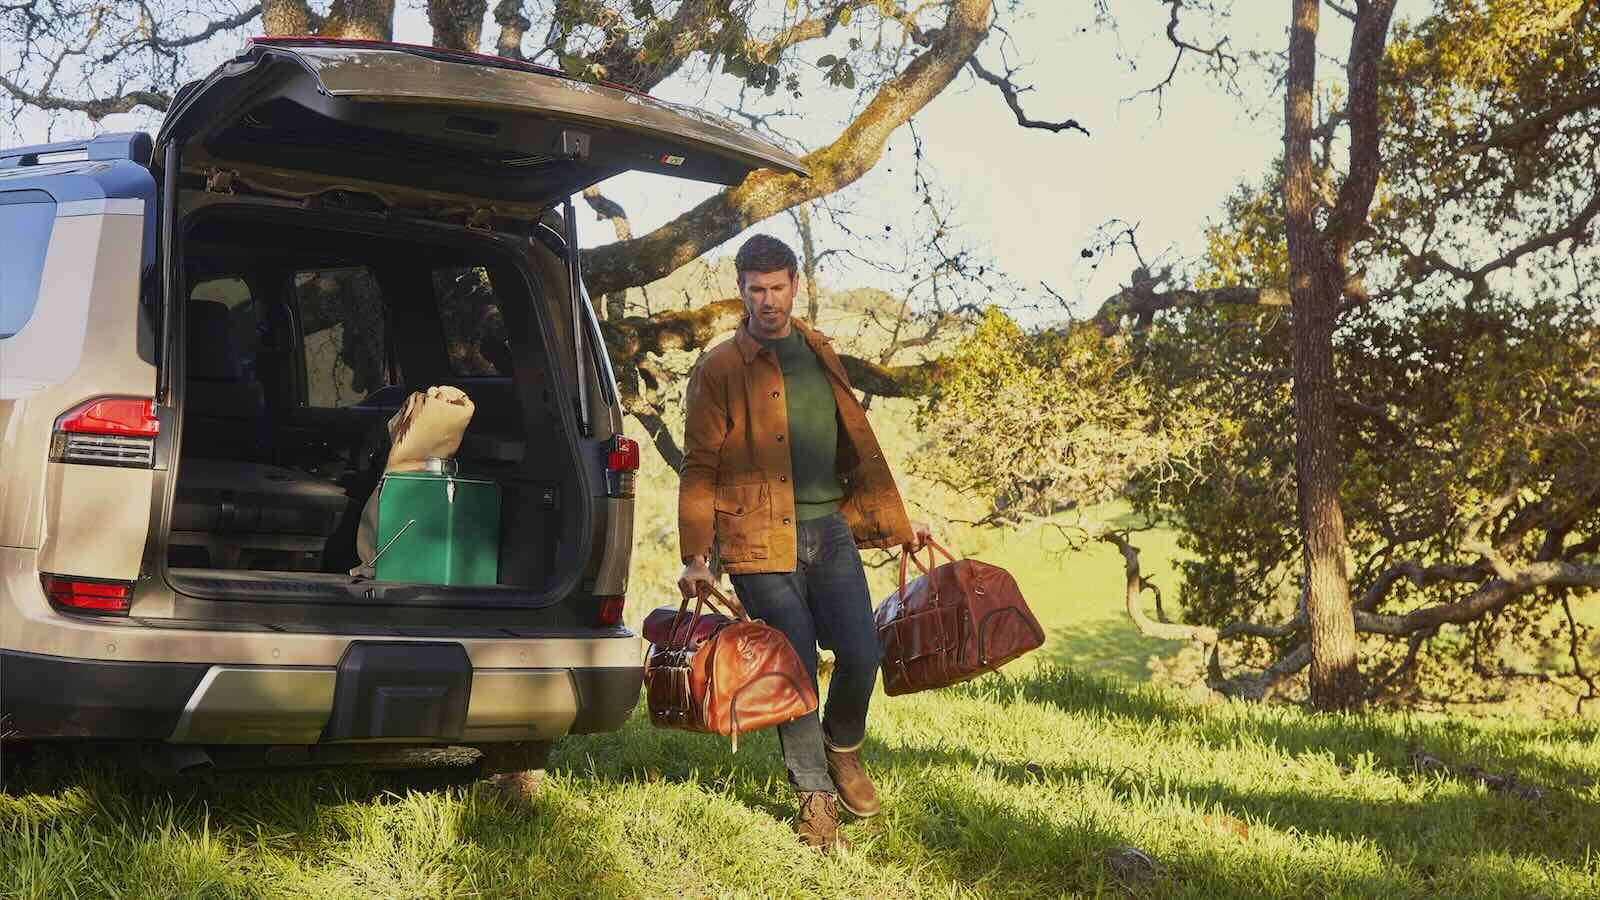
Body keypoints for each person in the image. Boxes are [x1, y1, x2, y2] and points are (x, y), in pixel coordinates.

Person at [677, 233, 932, 852]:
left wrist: (896, 524)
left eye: (778, 287)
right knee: (792, 668)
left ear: (795, 284)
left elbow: (854, 446)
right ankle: (814, 801)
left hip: (829, 530)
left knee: (863, 653)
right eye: (755, 289)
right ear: (740, 290)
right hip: (756, 540)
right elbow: (699, 467)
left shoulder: (819, 351)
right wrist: (695, 557)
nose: (767, 300)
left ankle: (841, 747)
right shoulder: (718, 370)